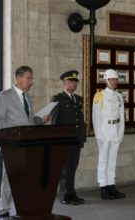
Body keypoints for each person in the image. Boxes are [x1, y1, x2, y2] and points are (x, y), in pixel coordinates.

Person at [0, 66, 47, 218]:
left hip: (27, 144)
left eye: (31, 78)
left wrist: (39, 120)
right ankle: (4, 209)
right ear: (18, 78)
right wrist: (15, 131)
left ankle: (24, 206)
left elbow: (28, 120)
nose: (31, 82)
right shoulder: (5, 96)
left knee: (27, 176)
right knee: (10, 176)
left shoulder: (27, 97)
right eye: (28, 78)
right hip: (11, 144)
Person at [52, 70, 86, 205]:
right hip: (63, 140)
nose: (74, 84)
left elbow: (80, 120)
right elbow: (54, 121)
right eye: (72, 82)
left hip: (75, 139)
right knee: (64, 168)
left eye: (75, 82)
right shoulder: (58, 99)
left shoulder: (78, 99)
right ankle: (64, 195)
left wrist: (81, 138)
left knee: (72, 167)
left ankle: (71, 193)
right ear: (65, 83)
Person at [92, 69, 125, 200]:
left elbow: (121, 117)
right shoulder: (100, 95)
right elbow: (96, 117)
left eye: (116, 79)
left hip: (115, 130)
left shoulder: (119, 96)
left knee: (112, 160)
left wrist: (121, 132)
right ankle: (103, 186)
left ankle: (111, 185)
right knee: (103, 160)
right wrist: (99, 135)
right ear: (106, 80)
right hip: (105, 131)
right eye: (112, 79)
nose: (115, 81)